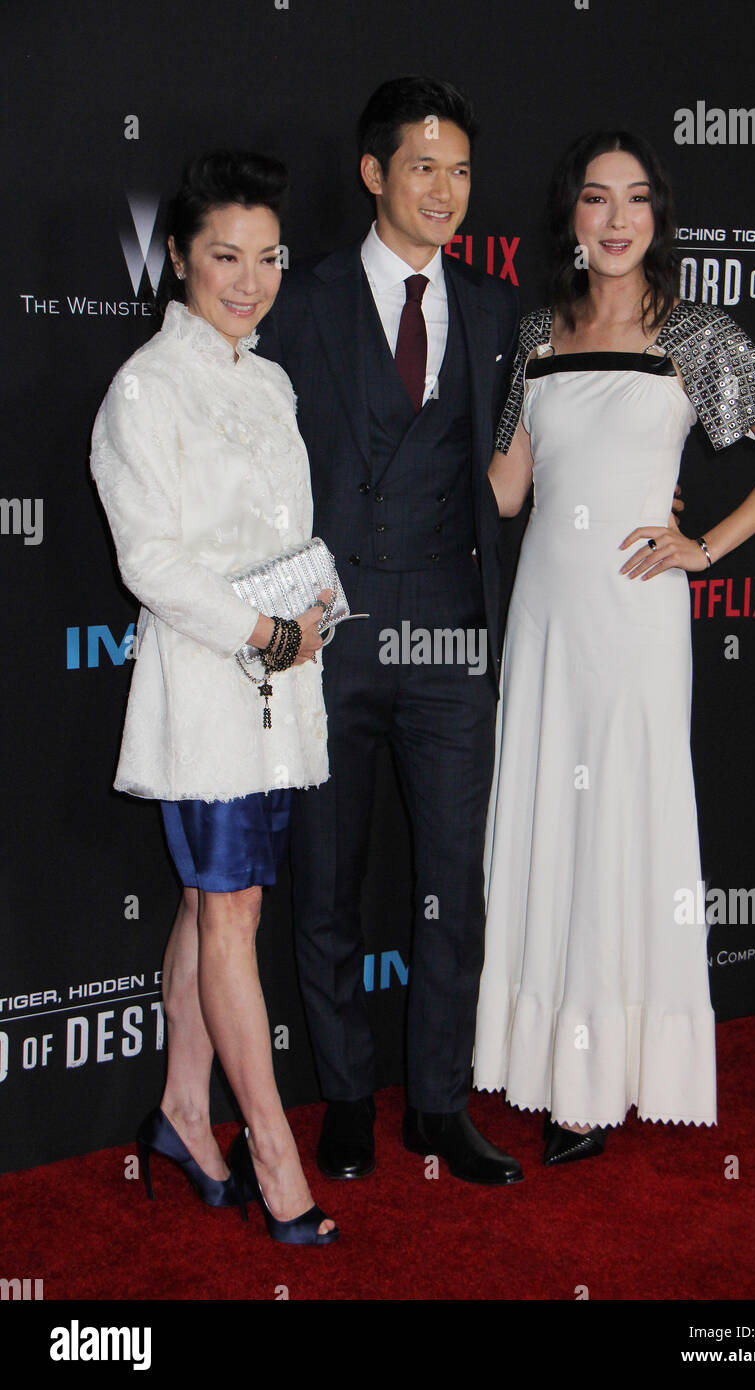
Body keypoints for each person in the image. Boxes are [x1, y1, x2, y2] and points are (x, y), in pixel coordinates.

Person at [472, 131, 755, 1163]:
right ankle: (535, 1060)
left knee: (622, 824)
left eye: (634, 200)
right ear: (568, 218)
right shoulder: (533, 331)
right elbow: (503, 487)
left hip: (633, 622)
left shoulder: (696, 336)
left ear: (656, 219)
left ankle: (597, 1079)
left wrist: (700, 545)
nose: (615, 219)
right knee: (543, 816)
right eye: (594, 199)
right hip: (543, 614)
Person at [256, 76, 524, 1184]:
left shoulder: (500, 310)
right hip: (332, 634)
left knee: (451, 878)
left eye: (459, 170)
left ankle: (438, 1103)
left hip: (454, 636)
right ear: (373, 174)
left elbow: (518, 472)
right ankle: (349, 1100)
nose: (444, 190)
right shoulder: (300, 297)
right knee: (325, 879)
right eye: (422, 167)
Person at [90, 150, 339, 1243]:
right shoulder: (147, 385)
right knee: (230, 909)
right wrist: (264, 629)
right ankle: (273, 1155)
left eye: (266, 256)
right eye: (222, 256)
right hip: (206, 694)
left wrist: (306, 608)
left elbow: (276, 539)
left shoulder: (269, 378)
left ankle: (185, 1109)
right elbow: (149, 560)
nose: (248, 279)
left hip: (279, 690)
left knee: (215, 905)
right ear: (179, 261)